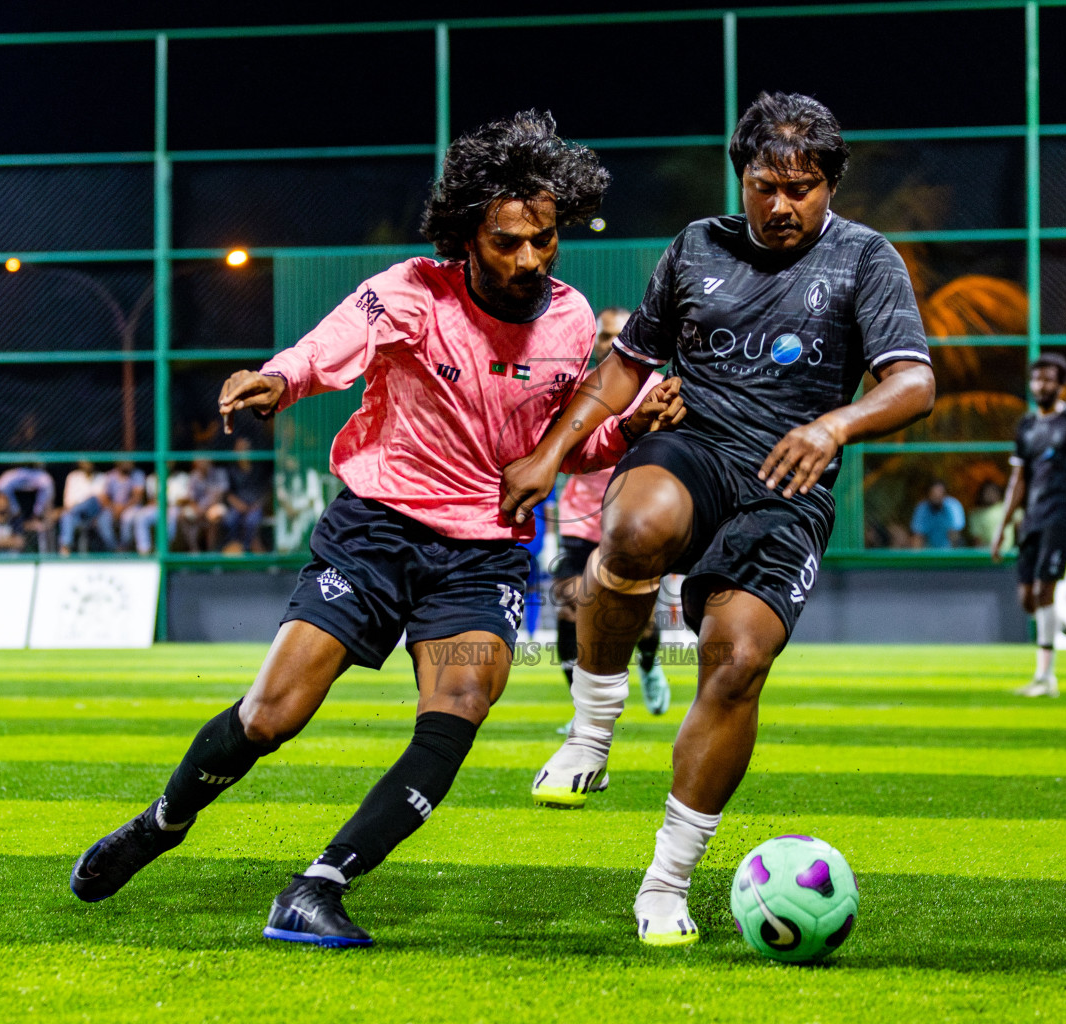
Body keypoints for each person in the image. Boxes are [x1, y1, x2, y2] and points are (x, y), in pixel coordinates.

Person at [68, 110, 682, 949]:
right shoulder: (414, 292)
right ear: (469, 232)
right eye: (508, 241)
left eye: (544, 239)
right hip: (375, 535)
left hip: (484, 557)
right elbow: (336, 344)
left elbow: (567, 448)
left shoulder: (573, 322)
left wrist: (632, 428)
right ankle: (164, 821)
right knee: (273, 714)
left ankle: (319, 885)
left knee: (463, 702)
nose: (529, 258)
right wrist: (279, 379)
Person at [501, 92, 935, 947]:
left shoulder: (866, 260)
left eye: (803, 187)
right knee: (631, 530)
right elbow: (627, 366)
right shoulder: (695, 246)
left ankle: (666, 883)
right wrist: (550, 456)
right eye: (766, 184)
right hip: (696, 449)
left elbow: (913, 382)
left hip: (787, 487)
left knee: (736, 663)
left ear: (831, 184)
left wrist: (833, 424)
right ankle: (591, 731)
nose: (782, 204)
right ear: (741, 176)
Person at [553, 306, 672, 731]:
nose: (608, 343)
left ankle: (649, 663)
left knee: (634, 619)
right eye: (604, 336)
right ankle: (581, 711)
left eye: (617, 336)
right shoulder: (580, 388)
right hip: (579, 518)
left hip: (633, 519)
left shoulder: (661, 391)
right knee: (569, 606)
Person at [991, 353, 1066, 698]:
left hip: (1063, 515)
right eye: (1036, 379)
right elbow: (1018, 478)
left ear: (1061, 385)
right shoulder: (1027, 426)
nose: (1040, 385)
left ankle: (1045, 678)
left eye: (1048, 380)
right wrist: (1001, 526)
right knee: (1029, 600)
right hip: (1032, 518)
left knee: (1046, 592)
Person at [58, 461, 114, 555]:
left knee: (92, 500)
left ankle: (113, 549)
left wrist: (81, 502)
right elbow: (67, 503)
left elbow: (101, 501)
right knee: (66, 516)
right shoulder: (73, 477)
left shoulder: (101, 477)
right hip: (77, 515)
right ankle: (65, 548)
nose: (87, 464)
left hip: (95, 514)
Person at [909, 479, 964, 548]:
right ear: (928, 494)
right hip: (928, 551)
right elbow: (918, 535)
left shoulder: (953, 506)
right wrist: (916, 556)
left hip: (949, 550)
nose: (937, 496)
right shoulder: (922, 508)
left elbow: (955, 533)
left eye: (940, 492)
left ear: (945, 494)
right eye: (934, 493)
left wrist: (953, 556)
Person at [968, 480, 1015, 551]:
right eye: (987, 492)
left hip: (1009, 553)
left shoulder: (1008, 507)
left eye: (993, 491)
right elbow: (977, 540)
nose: (990, 494)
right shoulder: (975, 514)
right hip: (987, 555)